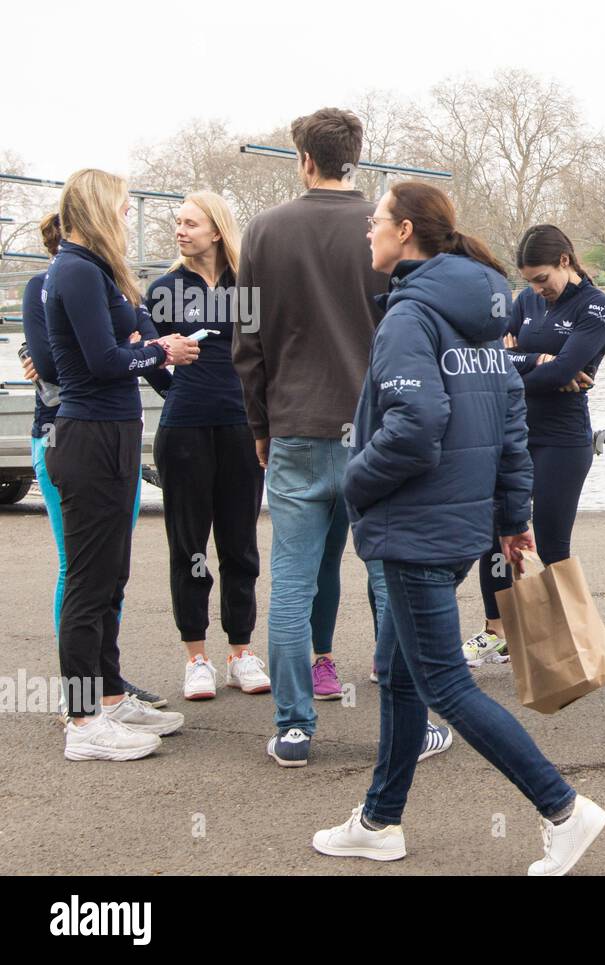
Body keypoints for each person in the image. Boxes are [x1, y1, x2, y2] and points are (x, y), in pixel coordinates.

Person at [313, 181, 605, 875]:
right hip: (463, 522)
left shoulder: (411, 318)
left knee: (445, 682)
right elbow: (511, 415)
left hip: (415, 524)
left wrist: (351, 482)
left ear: (407, 230)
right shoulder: (482, 307)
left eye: (376, 222)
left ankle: (564, 808)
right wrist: (510, 517)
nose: (368, 233)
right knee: (397, 670)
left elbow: (415, 428)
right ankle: (381, 820)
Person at [234, 108, 389, 766]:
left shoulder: (262, 232)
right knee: (389, 578)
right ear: (355, 155)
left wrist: (260, 427)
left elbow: (247, 344)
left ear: (304, 160)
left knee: (292, 584)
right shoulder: (384, 230)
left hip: (296, 424)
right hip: (375, 429)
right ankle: (405, 720)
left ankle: (295, 726)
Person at [43, 169, 198, 760]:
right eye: (124, 206)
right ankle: (83, 722)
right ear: (98, 207)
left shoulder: (98, 271)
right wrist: (161, 348)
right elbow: (104, 361)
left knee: (111, 577)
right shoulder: (77, 269)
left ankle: (108, 695)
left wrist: (152, 346)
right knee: (88, 583)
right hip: (88, 435)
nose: (129, 216)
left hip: (111, 433)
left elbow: (124, 351)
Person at [21, 213, 174, 711]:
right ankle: (82, 699)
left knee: (110, 570)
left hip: (108, 428)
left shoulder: (108, 281)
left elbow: (137, 344)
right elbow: (56, 363)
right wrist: (134, 350)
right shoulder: (52, 283)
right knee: (80, 570)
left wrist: (140, 350)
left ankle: (107, 684)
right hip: (64, 432)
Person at [467, 224, 605, 667]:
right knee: (497, 536)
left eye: (541, 278)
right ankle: (498, 631)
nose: (536, 289)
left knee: (552, 545)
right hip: (515, 434)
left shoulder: (598, 309)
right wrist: (535, 361)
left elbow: (567, 368)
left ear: (565, 263)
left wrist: (527, 370)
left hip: (564, 441)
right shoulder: (526, 302)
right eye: (529, 280)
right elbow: (493, 358)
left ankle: (572, 642)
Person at [147, 192, 269, 700]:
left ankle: (240, 651)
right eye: (177, 222)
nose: (180, 230)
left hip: (242, 429)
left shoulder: (250, 288)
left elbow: (269, 354)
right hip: (185, 432)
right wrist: (178, 392)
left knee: (239, 545)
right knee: (189, 546)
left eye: (190, 223)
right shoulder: (164, 289)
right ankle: (195, 658)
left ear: (216, 230)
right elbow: (144, 355)